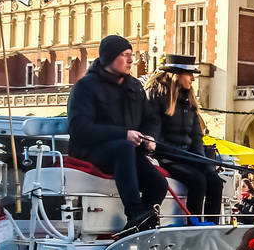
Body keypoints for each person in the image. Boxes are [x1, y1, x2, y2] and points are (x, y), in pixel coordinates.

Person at [68, 35, 167, 230]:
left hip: (126, 152)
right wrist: (124, 134)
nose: (131, 60)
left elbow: (151, 118)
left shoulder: (134, 86)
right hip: (92, 149)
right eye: (125, 55)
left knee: (158, 183)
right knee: (123, 147)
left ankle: (138, 226)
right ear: (109, 57)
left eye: (131, 55)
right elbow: (80, 128)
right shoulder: (85, 87)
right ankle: (135, 211)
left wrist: (149, 136)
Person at [147, 54, 224, 223]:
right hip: (168, 157)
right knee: (198, 181)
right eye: (189, 75)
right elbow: (154, 130)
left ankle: (212, 224)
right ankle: (193, 224)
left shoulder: (189, 101)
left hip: (188, 157)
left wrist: (201, 160)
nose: (192, 79)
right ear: (177, 75)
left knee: (216, 182)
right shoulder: (157, 97)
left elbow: (196, 135)